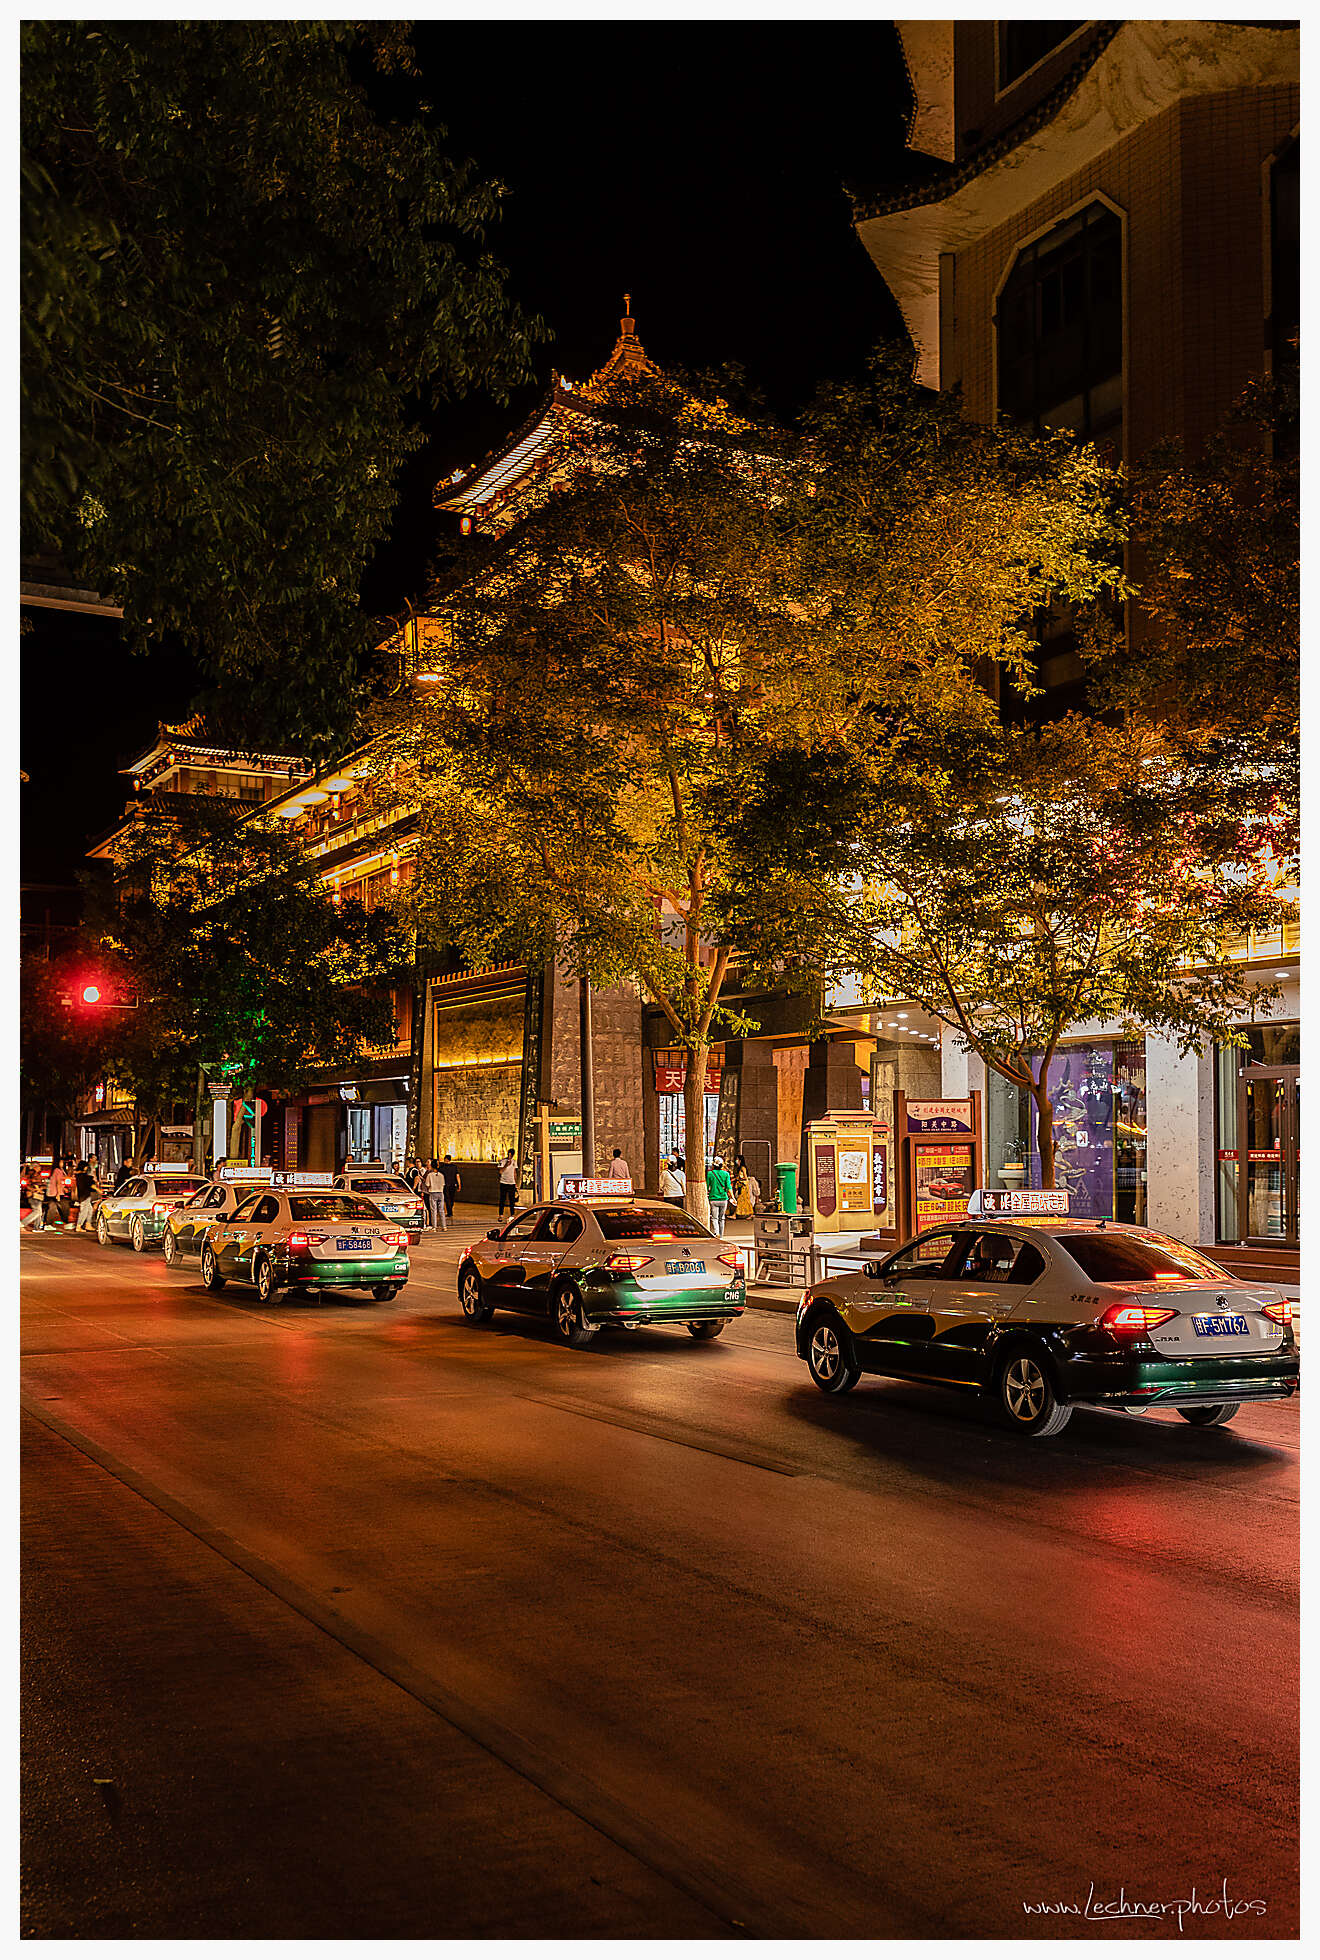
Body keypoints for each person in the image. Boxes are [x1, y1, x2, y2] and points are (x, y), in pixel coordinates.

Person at [706, 1154, 732, 1238]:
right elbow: (728, 1187)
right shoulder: (726, 1174)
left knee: (714, 1218)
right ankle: (721, 1235)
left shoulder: (710, 1174)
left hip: (713, 1198)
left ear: (713, 1165)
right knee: (722, 1218)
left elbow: (707, 1186)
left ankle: (716, 1233)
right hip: (724, 1199)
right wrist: (733, 1198)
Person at [423, 1158, 447, 1233]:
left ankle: (434, 1227)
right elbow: (443, 1184)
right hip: (440, 1193)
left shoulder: (430, 1175)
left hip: (432, 1193)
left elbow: (427, 1184)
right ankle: (444, 1226)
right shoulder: (441, 1175)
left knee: (433, 1210)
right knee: (441, 1210)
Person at [74, 1160, 98, 1233]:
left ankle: (88, 1224)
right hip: (84, 1195)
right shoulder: (82, 1176)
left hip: (85, 1195)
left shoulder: (80, 1175)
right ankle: (79, 1226)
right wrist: (98, 1190)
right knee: (84, 1211)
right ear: (84, 1167)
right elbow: (90, 1184)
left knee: (89, 1210)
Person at [441, 1153, 462, 1225]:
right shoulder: (454, 1167)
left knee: (447, 1199)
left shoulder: (442, 1167)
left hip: (445, 1185)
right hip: (453, 1185)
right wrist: (459, 1184)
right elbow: (457, 1176)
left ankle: (449, 1212)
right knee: (452, 1198)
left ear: (446, 1159)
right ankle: (450, 1210)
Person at [497, 1149, 518, 1218]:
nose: (510, 1156)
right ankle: (500, 1214)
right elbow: (500, 1171)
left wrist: (516, 1182)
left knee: (512, 1200)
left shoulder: (514, 1162)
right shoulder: (502, 1161)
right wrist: (506, 1165)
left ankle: (512, 1214)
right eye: (509, 1154)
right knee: (502, 1199)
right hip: (503, 1182)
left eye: (511, 1155)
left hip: (511, 1183)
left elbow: (514, 1172)